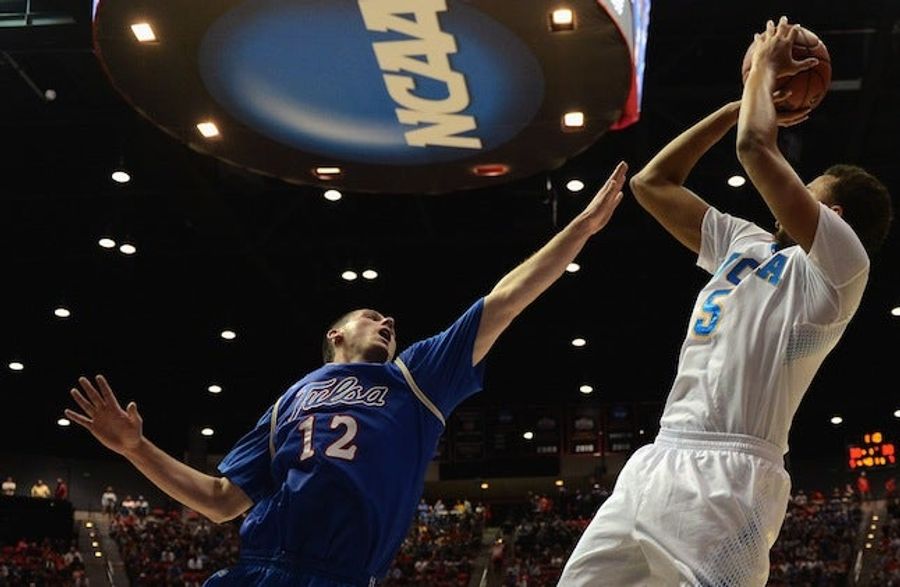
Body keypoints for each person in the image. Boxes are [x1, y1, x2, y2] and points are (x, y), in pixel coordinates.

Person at [64, 161, 628, 587]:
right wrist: (135, 448)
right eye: (371, 315)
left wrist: (578, 229)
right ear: (336, 335)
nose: (386, 321)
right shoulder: (289, 400)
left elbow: (505, 299)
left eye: (390, 321)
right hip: (257, 569)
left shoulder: (418, 376)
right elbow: (219, 500)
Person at [559, 17, 893, 587]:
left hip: (733, 473)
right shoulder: (746, 242)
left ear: (832, 217)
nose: (791, 190)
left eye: (807, 188)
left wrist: (764, 73)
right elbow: (652, 183)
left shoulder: (839, 268)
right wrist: (740, 102)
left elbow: (755, 147)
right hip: (660, 455)